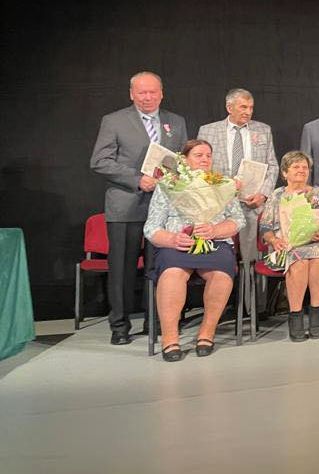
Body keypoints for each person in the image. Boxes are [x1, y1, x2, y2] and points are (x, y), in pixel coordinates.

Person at [90, 71, 188, 345]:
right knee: (122, 270)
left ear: (161, 93)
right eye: (142, 92)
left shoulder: (175, 122)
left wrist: (176, 176)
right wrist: (137, 179)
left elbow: (182, 160)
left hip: (164, 209)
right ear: (131, 94)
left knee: (159, 268)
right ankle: (119, 326)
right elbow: (100, 161)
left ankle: (155, 322)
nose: (147, 97)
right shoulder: (114, 121)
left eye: (152, 92)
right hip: (126, 206)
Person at [144, 139, 244, 361]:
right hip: (177, 244)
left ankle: (206, 333)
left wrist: (215, 230)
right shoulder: (168, 184)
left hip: (215, 242)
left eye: (208, 155)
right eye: (199, 155)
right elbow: (151, 227)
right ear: (184, 159)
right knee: (172, 274)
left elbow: (238, 220)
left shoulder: (222, 184)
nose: (205, 159)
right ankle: (170, 339)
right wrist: (173, 239)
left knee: (221, 275)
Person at [197, 88, 279, 263]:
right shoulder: (208, 131)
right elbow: (200, 168)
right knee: (220, 255)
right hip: (219, 203)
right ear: (229, 108)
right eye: (243, 107)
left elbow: (272, 166)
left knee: (251, 258)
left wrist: (263, 194)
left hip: (252, 203)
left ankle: (250, 279)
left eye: (251, 107)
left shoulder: (263, 130)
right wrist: (223, 187)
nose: (248, 112)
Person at [260, 151, 319, 341]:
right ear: (285, 172)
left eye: (304, 167)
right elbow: (265, 228)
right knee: (299, 262)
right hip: (285, 244)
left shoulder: (317, 193)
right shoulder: (277, 195)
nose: (301, 170)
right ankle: (296, 315)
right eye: (296, 167)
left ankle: (316, 312)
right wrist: (274, 240)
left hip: (315, 242)